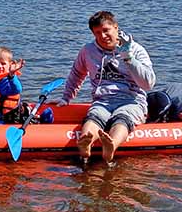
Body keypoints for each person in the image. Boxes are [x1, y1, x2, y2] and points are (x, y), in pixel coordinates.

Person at [55, 10, 155, 164]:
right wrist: (66, 98)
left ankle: (111, 146)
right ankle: (85, 143)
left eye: (106, 30)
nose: (102, 36)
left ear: (116, 27)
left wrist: (128, 57)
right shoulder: (88, 51)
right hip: (103, 100)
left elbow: (148, 83)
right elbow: (76, 74)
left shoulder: (136, 50)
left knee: (123, 118)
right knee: (94, 116)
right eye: (97, 33)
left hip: (131, 101)